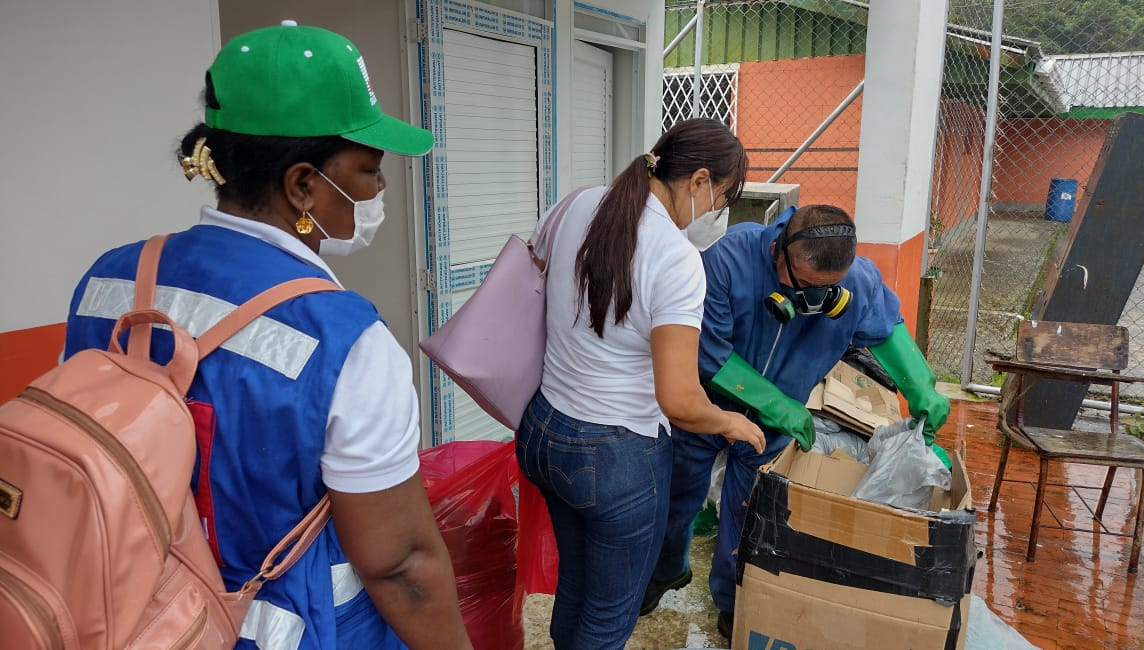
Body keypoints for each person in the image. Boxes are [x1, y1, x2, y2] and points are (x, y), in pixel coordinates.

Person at [62, 22, 471, 650]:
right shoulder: (347, 339)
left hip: (127, 620)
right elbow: (401, 565)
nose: (380, 189)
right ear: (303, 184)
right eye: (369, 169)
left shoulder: (110, 279)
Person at [640, 204, 952, 643]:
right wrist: (777, 404)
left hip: (769, 431)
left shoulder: (858, 283)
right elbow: (706, 351)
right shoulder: (728, 260)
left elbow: (886, 330)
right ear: (777, 250)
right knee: (678, 498)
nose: (814, 301)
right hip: (706, 410)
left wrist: (921, 386)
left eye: (829, 290)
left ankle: (734, 601)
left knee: (749, 515)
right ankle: (667, 571)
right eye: (804, 285)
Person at [514, 118, 767, 649]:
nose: (718, 214)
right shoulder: (675, 260)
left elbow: (534, 269)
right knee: (607, 617)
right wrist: (729, 421)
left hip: (543, 430)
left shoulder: (579, 204)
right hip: (614, 458)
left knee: (577, 588)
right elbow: (679, 400)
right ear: (698, 181)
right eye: (721, 199)